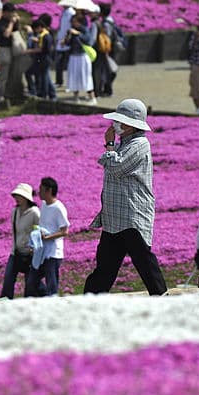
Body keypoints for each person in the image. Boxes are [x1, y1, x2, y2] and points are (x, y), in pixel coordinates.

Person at [84, 98, 168, 296]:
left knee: (145, 264)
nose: (115, 124)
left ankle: (162, 298)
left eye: (120, 121)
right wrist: (112, 147)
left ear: (131, 124)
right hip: (114, 218)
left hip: (132, 217)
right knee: (104, 268)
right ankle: (89, 301)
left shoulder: (140, 144)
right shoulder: (125, 143)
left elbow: (115, 167)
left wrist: (109, 145)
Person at [28, 177, 69, 297]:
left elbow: (65, 231)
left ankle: (52, 302)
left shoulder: (58, 208)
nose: (38, 192)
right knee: (32, 281)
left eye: (41, 189)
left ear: (49, 190)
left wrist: (48, 237)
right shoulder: (44, 204)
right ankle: (47, 300)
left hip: (53, 253)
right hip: (42, 251)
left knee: (52, 284)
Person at [0, 183, 40, 298]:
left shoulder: (34, 212)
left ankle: (32, 302)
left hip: (30, 253)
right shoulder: (15, 212)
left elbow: (38, 231)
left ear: (26, 197)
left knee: (30, 284)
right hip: (16, 252)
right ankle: (5, 301)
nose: (16, 198)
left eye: (19, 196)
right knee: (8, 279)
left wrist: (35, 248)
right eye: (16, 196)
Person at [62, 10, 96, 104]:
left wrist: (78, 33)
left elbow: (88, 40)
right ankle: (76, 97)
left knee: (85, 76)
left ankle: (92, 97)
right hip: (73, 57)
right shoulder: (70, 30)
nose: (72, 23)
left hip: (82, 56)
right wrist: (66, 40)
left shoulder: (84, 29)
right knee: (74, 76)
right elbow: (68, 43)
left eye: (74, 21)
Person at [25, 15, 56, 100]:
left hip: (45, 59)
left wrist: (30, 51)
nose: (35, 31)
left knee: (44, 78)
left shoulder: (46, 35)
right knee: (43, 77)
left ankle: (43, 94)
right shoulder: (43, 35)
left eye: (36, 29)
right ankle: (47, 94)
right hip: (42, 59)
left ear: (39, 27)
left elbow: (44, 49)